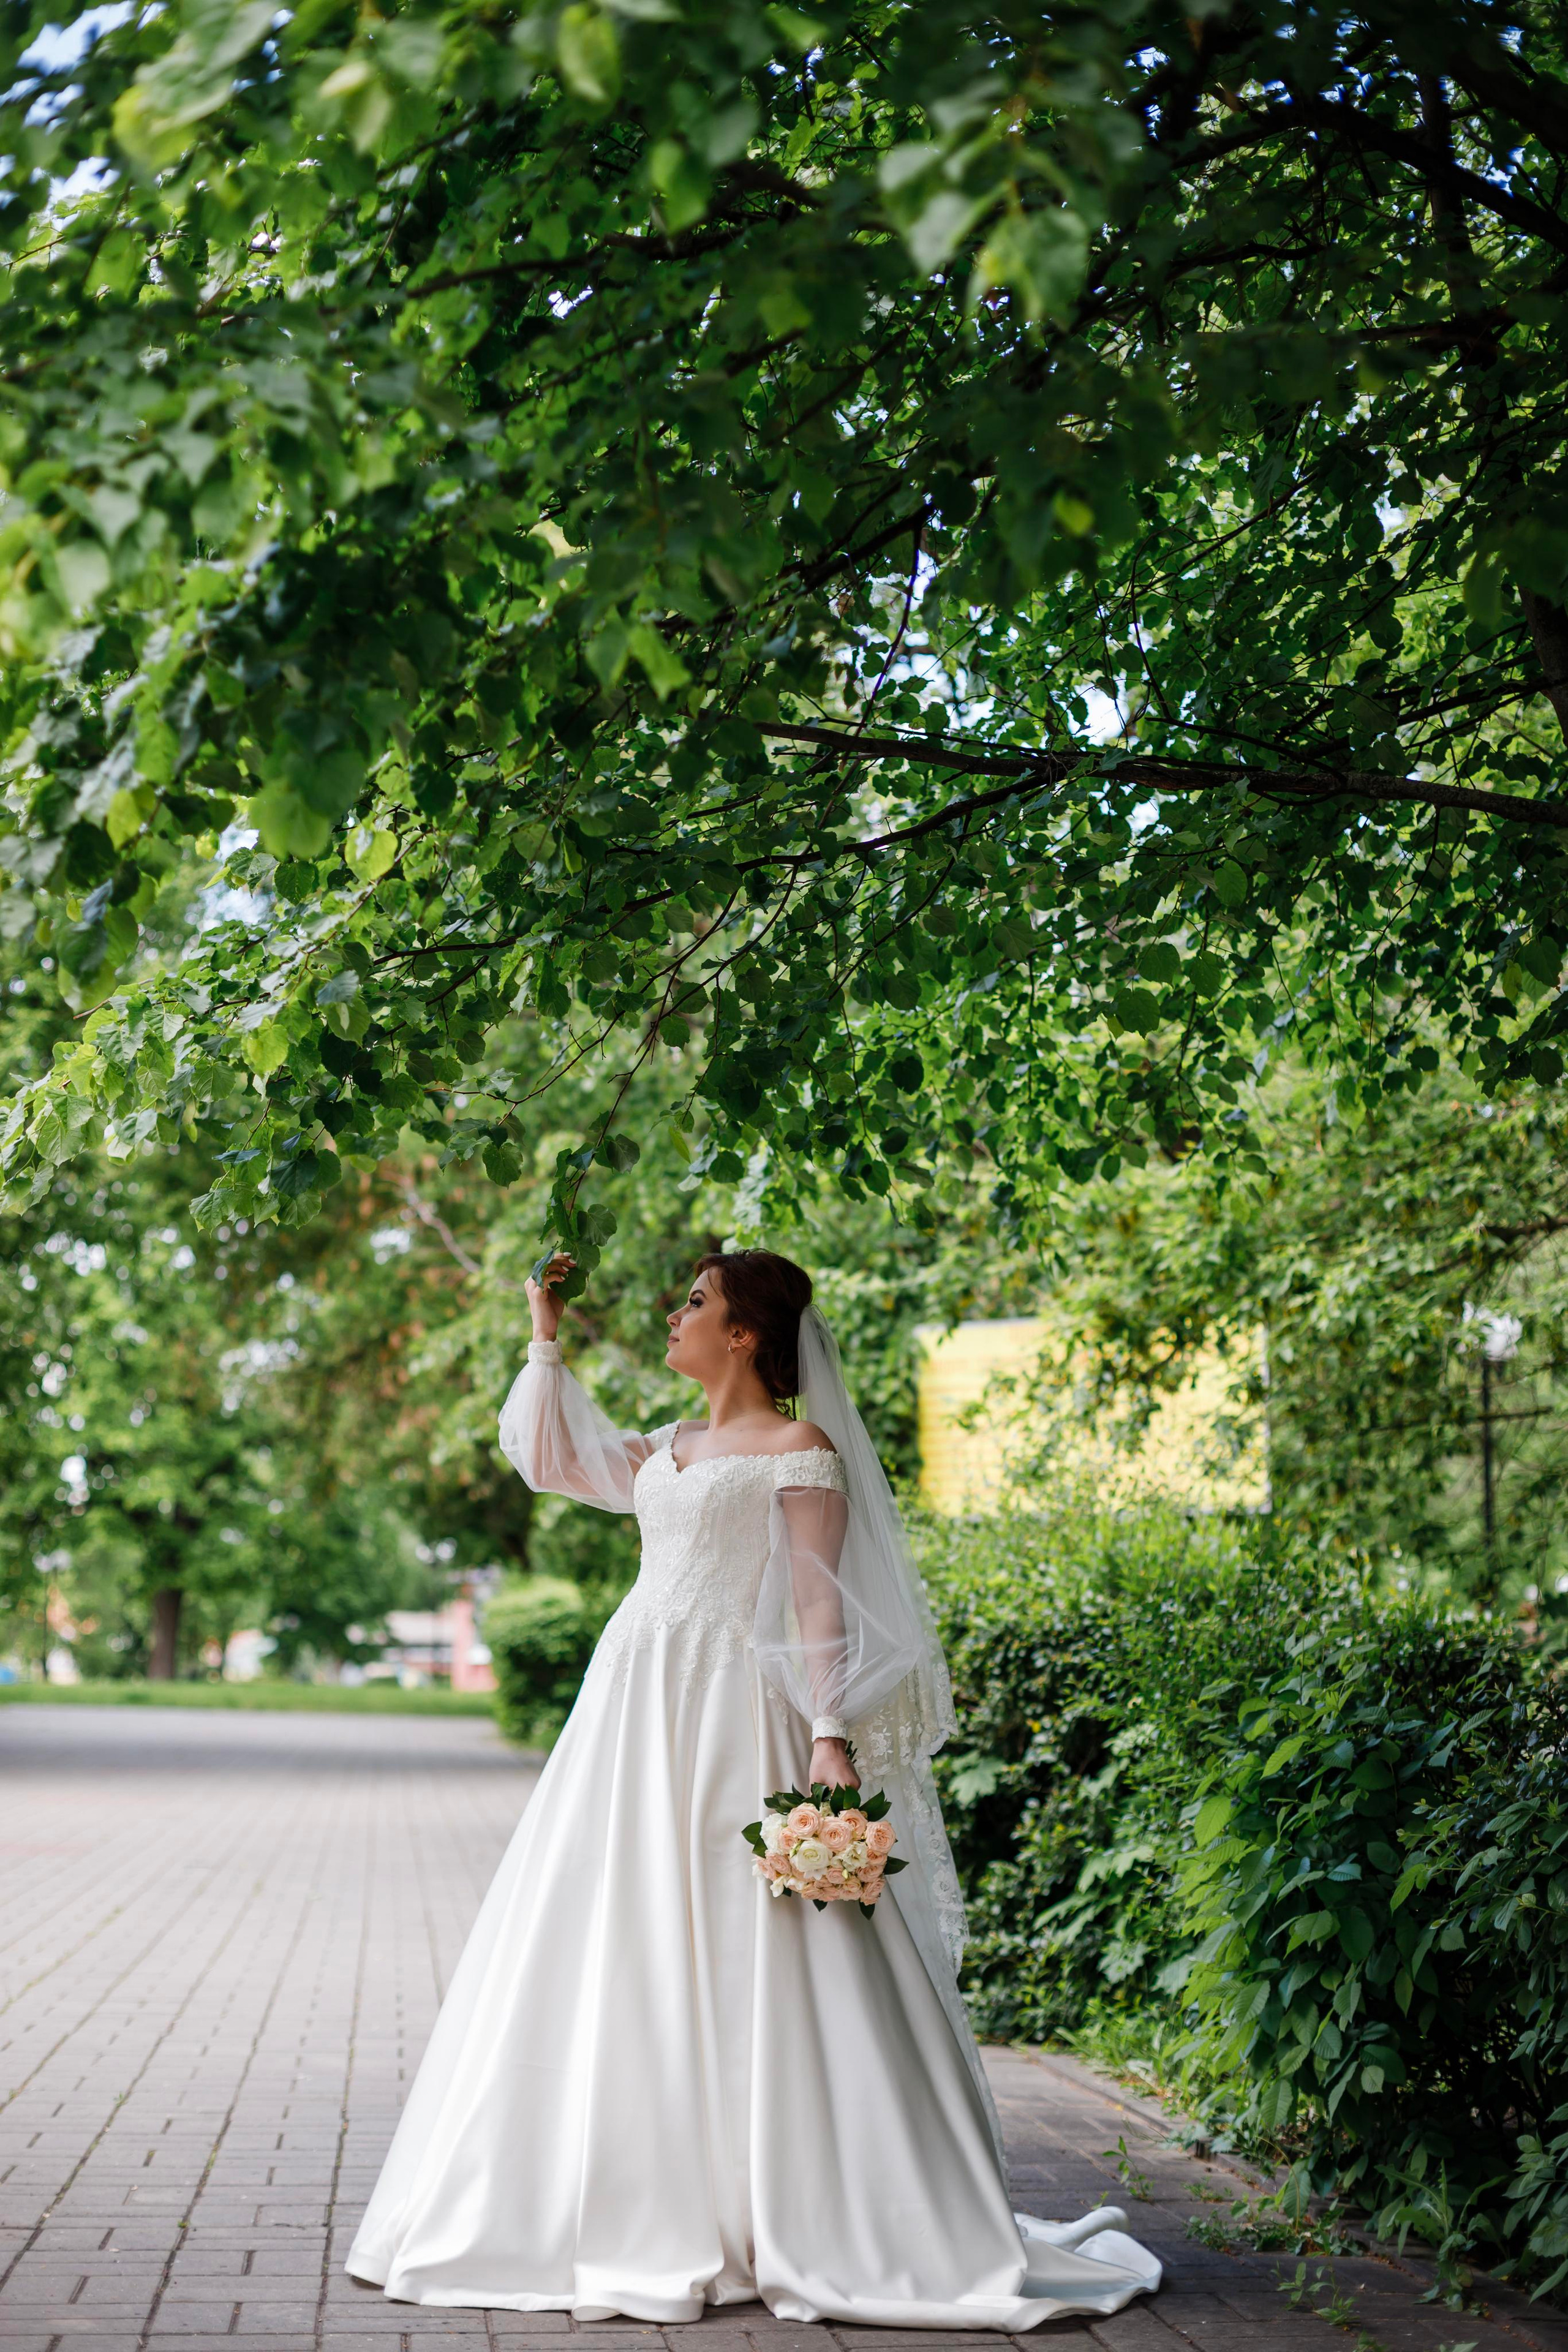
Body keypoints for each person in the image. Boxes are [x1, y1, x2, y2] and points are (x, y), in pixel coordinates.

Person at [346, 1248, 1160, 2328]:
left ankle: (804, 2199)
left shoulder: (800, 1449)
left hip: (739, 1712)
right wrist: (545, 1330)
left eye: (696, 1302)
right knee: (615, 1924)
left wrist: (830, 1737)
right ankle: (611, 2194)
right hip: (634, 1706)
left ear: (742, 1335)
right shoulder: (663, 1448)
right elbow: (547, 1454)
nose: (673, 1315)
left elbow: (821, 1609)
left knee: (763, 1941)